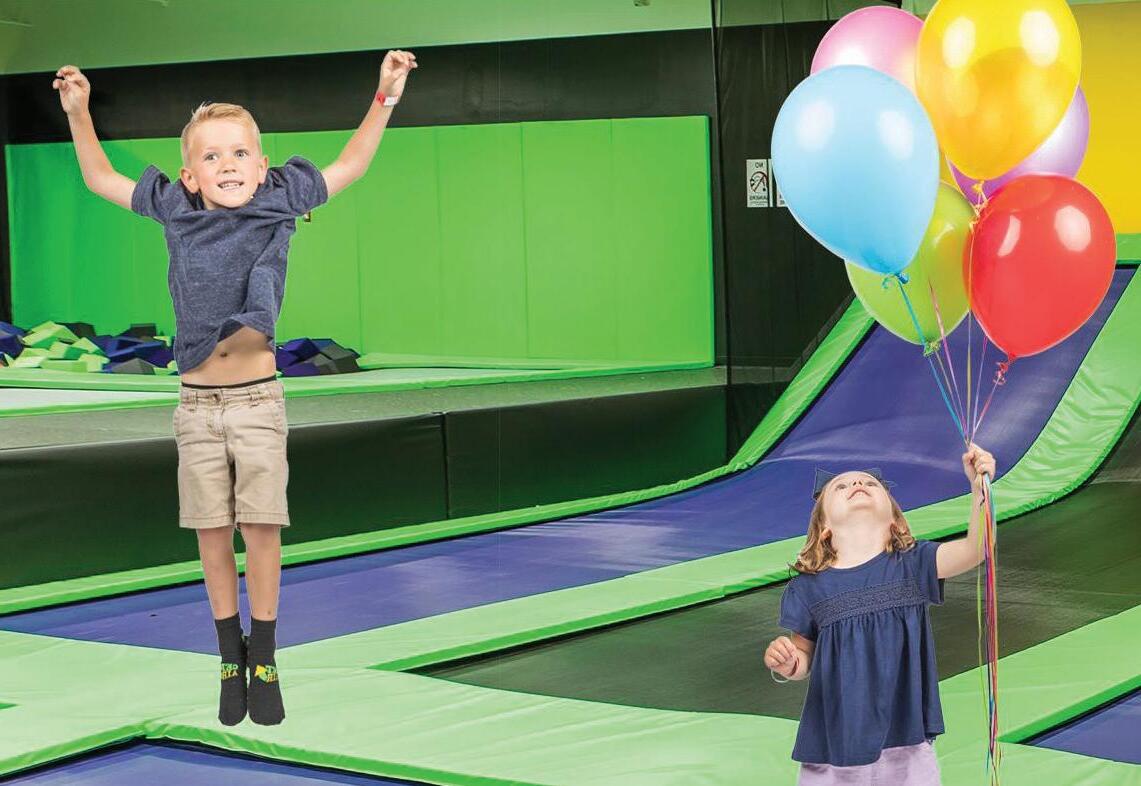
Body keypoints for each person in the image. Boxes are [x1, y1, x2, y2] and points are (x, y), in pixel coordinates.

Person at [52, 49, 417, 725]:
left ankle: (266, 655)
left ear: (262, 164)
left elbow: (352, 164)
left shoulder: (281, 197)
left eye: (240, 152)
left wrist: (384, 96)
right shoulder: (174, 206)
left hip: (256, 399)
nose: (228, 164)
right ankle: (229, 654)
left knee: (262, 526)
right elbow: (100, 176)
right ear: (190, 174)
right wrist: (78, 111)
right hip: (196, 404)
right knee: (211, 531)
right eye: (212, 156)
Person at [765, 444, 997, 785]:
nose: (858, 484)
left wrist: (980, 490)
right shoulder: (808, 587)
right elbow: (803, 658)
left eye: (870, 483)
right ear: (824, 526)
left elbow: (975, 549)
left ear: (894, 519)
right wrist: (788, 663)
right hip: (836, 744)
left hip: (905, 738)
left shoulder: (913, 564)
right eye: (841, 486)